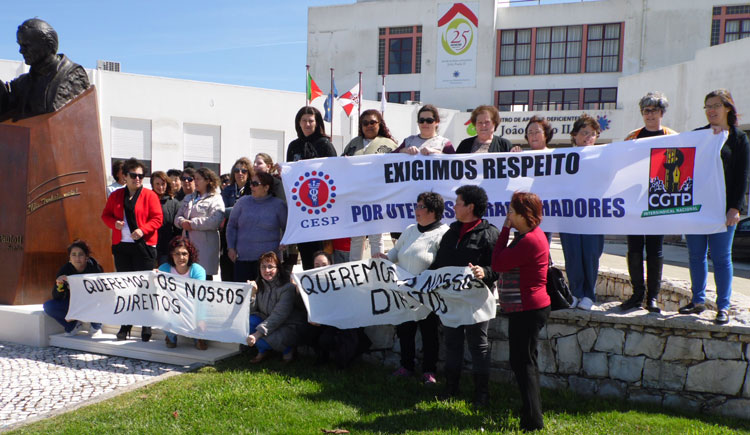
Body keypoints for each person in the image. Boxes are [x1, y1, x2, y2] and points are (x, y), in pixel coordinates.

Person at [679, 89, 750, 325]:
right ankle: (697, 301)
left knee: (721, 258)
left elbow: (743, 176)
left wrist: (736, 208)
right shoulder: (698, 135)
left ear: (728, 108)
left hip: (723, 210)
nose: (711, 110)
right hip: (697, 208)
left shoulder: (739, 139)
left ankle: (723, 307)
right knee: (696, 255)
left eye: (716, 105)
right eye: (707, 106)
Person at [431, 185, 499, 406]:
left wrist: (485, 272)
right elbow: (439, 263)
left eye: (458, 203)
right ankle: (451, 389)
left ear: (470, 207)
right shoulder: (450, 232)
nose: (454, 206)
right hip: (451, 299)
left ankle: (482, 394)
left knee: (478, 346)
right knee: (452, 344)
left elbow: (498, 267)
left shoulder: (490, 234)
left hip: (477, 300)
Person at [491, 192, 551, 432]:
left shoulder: (529, 240)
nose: (509, 216)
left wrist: (503, 231)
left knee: (522, 363)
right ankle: (530, 410)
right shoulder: (529, 235)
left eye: (512, 212)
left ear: (525, 215)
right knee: (526, 361)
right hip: (527, 308)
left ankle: (533, 421)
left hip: (527, 309)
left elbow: (497, 263)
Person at [380, 192, 449, 384]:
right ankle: (406, 366)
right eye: (417, 206)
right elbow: (395, 254)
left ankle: (429, 370)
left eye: (420, 207)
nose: (416, 210)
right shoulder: (410, 230)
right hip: (405, 294)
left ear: (433, 211)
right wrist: (383, 259)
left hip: (429, 295)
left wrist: (422, 281)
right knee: (405, 331)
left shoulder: (444, 233)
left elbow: (441, 264)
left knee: (429, 333)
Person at [620, 92, 678, 313]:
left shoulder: (672, 136)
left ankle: (652, 297)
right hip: (635, 200)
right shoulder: (632, 137)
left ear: (662, 113)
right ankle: (637, 294)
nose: (650, 114)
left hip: (659, 200)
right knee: (634, 247)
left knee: (655, 249)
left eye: (654, 110)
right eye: (646, 111)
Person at [101, 157, 163, 341]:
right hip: (122, 247)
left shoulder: (150, 195)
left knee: (144, 287)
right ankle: (126, 324)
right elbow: (105, 216)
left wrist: (142, 230)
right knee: (126, 287)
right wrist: (115, 223)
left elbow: (157, 219)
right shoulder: (115, 195)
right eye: (134, 175)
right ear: (124, 176)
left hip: (144, 247)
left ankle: (146, 325)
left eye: (141, 176)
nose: (137, 179)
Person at [0, 19, 89, 121]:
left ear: (48, 45)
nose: (21, 51)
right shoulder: (22, 83)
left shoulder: (73, 76)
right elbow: (5, 104)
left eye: (26, 45)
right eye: (20, 45)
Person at [559, 114, 604, 311]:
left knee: (591, 255)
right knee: (573, 255)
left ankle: (589, 295)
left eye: (592, 134)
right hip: (569, 216)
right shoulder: (562, 158)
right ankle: (576, 293)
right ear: (575, 135)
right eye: (584, 133)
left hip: (593, 216)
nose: (588, 137)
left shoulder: (604, 157)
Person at [344, 109, 399, 261]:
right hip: (356, 197)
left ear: (379, 124)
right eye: (365, 123)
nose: (369, 126)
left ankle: (378, 269)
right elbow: (340, 167)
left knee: (376, 237)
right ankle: (354, 272)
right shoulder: (353, 144)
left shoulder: (390, 145)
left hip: (378, 197)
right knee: (356, 237)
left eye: (372, 122)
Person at [286, 106, 337, 270]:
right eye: (304, 120)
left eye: (311, 120)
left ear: (317, 123)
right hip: (302, 210)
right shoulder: (293, 146)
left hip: (323, 210)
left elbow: (335, 174)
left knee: (322, 258)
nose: (307, 124)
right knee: (307, 257)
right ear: (298, 123)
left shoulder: (325, 144)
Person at [301, 251, 371, 368]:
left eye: (324, 265)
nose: (320, 268)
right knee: (308, 330)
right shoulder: (311, 284)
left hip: (341, 323)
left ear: (331, 264)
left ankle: (343, 361)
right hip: (323, 322)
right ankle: (322, 356)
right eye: (316, 266)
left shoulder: (340, 282)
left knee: (328, 338)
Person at [226, 172, 287, 282]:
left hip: (268, 264)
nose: (251, 186)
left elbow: (287, 227)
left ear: (266, 187)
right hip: (243, 260)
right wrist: (231, 247)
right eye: (250, 183)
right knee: (244, 297)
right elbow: (231, 226)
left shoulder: (278, 205)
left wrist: (285, 242)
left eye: (255, 184)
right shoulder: (242, 202)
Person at [246, 251, 305, 363]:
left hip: (287, 325)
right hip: (268, 322)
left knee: (259, 340)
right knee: (248, 322)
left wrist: (257, 334)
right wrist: (252, 294)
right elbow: (252, 311)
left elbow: (279, 316)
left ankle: (288, 350)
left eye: (270, 267)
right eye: (263, 266)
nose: (266, 270)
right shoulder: (259, 284)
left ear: (278, 268)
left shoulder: (288, 288)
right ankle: (263, 351)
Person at [43, 240, 103, 337]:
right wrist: (60, 285)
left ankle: (96, 325)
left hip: (91, 302)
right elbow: (57, 297)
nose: (77, 258)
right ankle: (73, 325)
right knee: (48, 306)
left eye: (81, 254)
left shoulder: (95, 268)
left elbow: (102, 292)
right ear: (69, 258)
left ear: (86, 257)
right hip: (74, 304)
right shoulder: (64, 270)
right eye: (73, 255)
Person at [158, 236, 208, 350]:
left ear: (190, 255)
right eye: (177, 254)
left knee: (202, 325)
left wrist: (201, 319)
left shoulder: (198, 270)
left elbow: (201, 298)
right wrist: (153, 279)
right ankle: (170, 336)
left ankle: (198, 337)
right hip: (172, 308)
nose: (181, 257)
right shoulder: (163, 269)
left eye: (184, 253)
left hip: (193, 308)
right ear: (171, 255)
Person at [175, 168, 225, 280]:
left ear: (207, 181)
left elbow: (215, 221)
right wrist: (181, 222)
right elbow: (177, 217)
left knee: (203, 279)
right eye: (194, 179)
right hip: (187, 245)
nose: (195, 181)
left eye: (198, 179)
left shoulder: (215, 198)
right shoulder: (188, 198)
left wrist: (193, 224)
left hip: (205, 248)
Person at [151, 171, 181, 266]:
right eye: (157, 184)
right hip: (150, 246)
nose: (160, 187)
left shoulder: (174, 203)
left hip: (167, 247)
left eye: (163, 184)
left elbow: (177, 229)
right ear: (152, 184)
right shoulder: (147, 199)